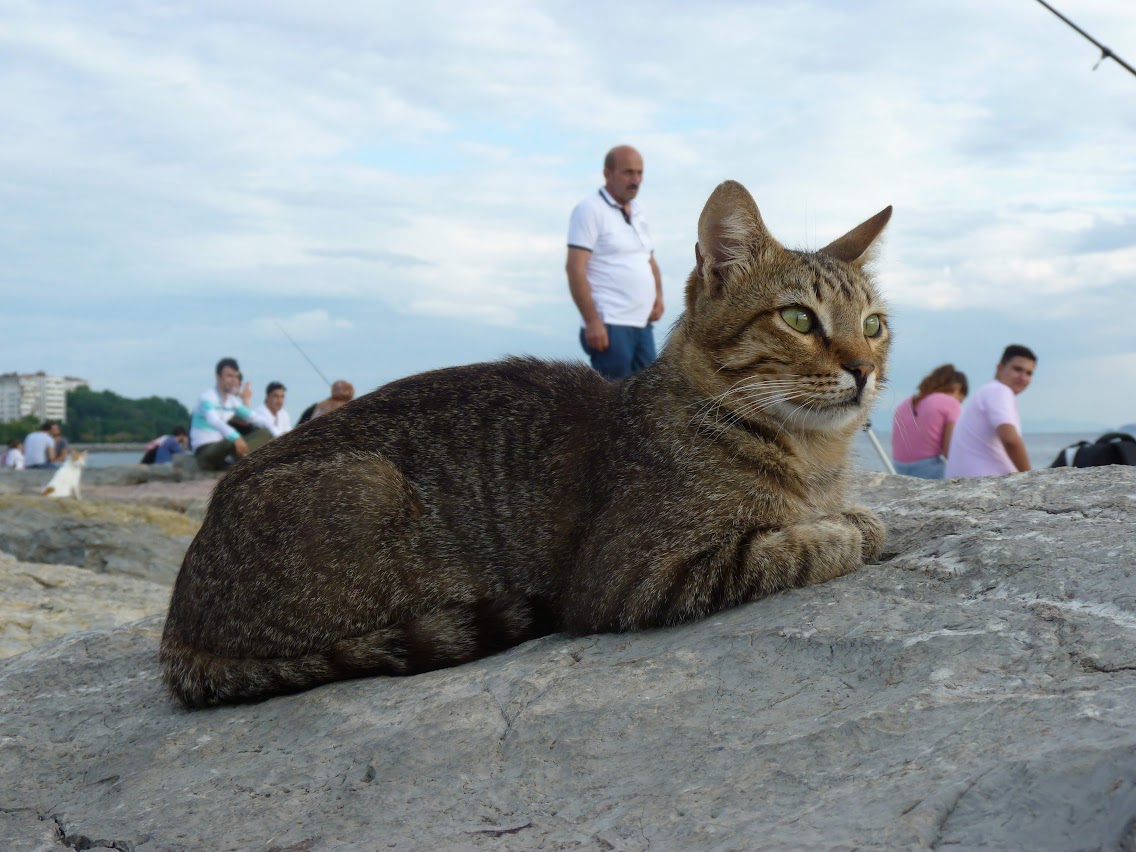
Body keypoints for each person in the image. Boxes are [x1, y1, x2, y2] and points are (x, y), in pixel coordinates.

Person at [566, 144, 664, 380]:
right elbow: (575, 269)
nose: (636, 179)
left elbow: (648, 259)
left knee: (649, 397)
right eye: (628, 172)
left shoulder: (638, 212)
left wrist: (658, 297)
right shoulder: (590, 210)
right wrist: (592, 322)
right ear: (607, 174)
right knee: (610, 402)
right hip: (610, 324)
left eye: (639, 173)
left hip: (642, 325)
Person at [944, 345, 1037, 478]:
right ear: (1000, 368)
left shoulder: (986, 391)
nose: (1023, 377)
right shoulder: (999, 391)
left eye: (1029, 373)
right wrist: (1032, 477)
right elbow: (1010, 439)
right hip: (982, 484)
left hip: (967, 482)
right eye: (1017, 369)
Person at [189, 357, 273, 471]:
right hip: (205, 451)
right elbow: (214, 420)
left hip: (224, 448)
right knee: (231, 440)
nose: (233, 380)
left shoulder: (232, 401)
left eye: (235, 376)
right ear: (218, 377)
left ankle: (241, 461)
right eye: (229, 376)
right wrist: (236, 437)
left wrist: (278, 435)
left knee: (264, 432)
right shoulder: (207, 398)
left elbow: (255, 417)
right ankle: (242, 461)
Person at [890, 364, 968, 479]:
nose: (959, 402)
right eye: (961, 399)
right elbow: (949, 452)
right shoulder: (951, 403)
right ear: (957, 388)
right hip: (927, 469)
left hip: (899, 467)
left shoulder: (904, 404)